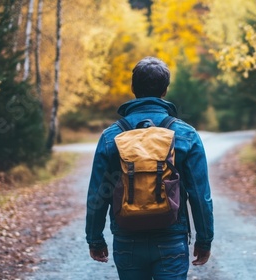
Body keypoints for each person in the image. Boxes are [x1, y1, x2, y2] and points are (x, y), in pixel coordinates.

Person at [85, 56, 213, 280]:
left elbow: (99, 193)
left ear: (133, 88)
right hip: (171, 236)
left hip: (127, 237)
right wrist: (204, 239)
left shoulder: (111, 136)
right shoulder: (186, 134)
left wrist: (95, 238)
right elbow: (200, 195)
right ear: (165, 90)